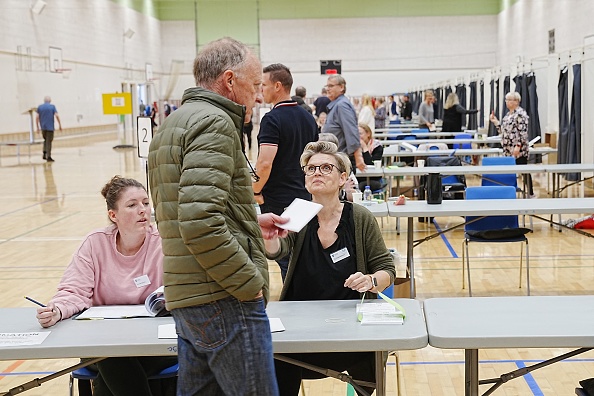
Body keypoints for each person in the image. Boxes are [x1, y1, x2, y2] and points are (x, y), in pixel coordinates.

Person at [148, 37, 286, 396]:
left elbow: (180, 213)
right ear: (229, 81)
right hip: (223, 296)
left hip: (189, 295)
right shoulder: (216, 123)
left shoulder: (172, 123)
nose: (258, 97)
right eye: (255, 86)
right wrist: (249, 284)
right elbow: (199, 222)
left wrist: (249, 223)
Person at [263, 140, 396, 396]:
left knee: (371, 362)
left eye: (326, 168)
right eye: (311, 169)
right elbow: (277, 251)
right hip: (298, 326)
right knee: (274, 357)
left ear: (342, 177)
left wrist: (370, 280)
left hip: (351, 326)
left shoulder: (359, 218)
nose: (317, 173)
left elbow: (386, 269)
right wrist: (269, 238)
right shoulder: (296, 214)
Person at [35, 176, 177, 396]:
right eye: (132, 205)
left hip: (153, 346)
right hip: (102, 344)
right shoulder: (94, 243)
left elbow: (183, 287)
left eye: (146, 203)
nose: (143, 210)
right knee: (112, 354)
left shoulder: (164, 242)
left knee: (112, 363)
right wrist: (56, 310)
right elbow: (74, 291)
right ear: (113, 215)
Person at [252, 63, 318, 279]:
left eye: (264, 85)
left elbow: (264, 164)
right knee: (304, 257)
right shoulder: (308, 118)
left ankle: (296, 304)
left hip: (279, 200)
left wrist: (254, 190)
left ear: (277, 86)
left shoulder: (272, 119)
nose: (261, 90)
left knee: (285, 260)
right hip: (305, 196)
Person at [489, 91, 535, 197]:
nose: (507, 102)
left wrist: (518, 146)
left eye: (510, 100)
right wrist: (495, 122)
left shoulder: (520, 114)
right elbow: (504, 131)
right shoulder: (508, 115)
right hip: (507, 149)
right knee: (509, 171)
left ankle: (530, 193)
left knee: (524, 170)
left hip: (518, 149)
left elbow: (523, 132)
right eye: (507, 100)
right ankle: (509, 191)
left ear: (517, 101)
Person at [321, 74, 365, 173]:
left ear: (341, 87)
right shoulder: (337, 105)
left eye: (331, 86)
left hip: (342, 160)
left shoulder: (342, 105)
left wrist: (358, 156)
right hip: (335, 159)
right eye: (327, 86)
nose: (328, 89)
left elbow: (351, 131)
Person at [358, 123, 383, 191]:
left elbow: (371, 164)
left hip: (374, 177)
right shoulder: (354, 146)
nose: (358, 136)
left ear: (368, 134)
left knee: (360, 186)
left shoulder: (377, 146)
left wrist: (365, 148)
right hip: (358, 176)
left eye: (360, 134)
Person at [36, 96, 62, 162]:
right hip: (50, 127)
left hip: (43, 127)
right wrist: (59, 125)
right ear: (50, 101)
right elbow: (56, 115)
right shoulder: (52, 107)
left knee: (45, 139)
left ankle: (44, 152)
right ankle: (48, 156)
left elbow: (37, 117)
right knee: (49, 141)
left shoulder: (40, 107)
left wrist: (37, 127)